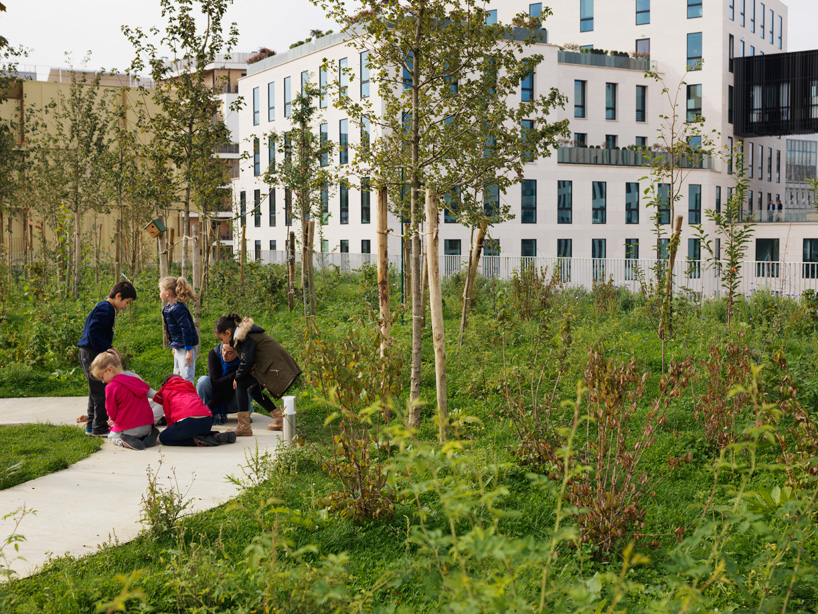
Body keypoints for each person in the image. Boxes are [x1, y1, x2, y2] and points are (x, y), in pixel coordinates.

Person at [214, 313, 301, 436]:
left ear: (228, 332)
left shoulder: (243, 337)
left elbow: (247, 361)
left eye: (221, 339)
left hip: (274, 367)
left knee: (240, 384)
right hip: (270, 366)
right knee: (254, 391)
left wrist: (237, 377)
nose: (222, 342)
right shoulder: (242, 334)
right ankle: (280, 419)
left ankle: (244, 426)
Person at [77, 280, 137, 437]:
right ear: (118, 296)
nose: (126, 306)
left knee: (94, 391)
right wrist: (105, 350)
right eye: (127, 302)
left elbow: (97, 333)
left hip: (89, 352)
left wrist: (108, 347)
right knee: (101, 392)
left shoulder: (105, 308)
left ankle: (91, 427)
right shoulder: (106, 309)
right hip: (91, 353)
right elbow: (93, 332)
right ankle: (100, 428)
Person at [90, 350, 159, 451]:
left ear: (110, 370)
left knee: (112, 436)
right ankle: (147, 435)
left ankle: (123, 441)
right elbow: (149, 391)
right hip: (147, 425)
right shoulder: (135, 379)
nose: (103, 381)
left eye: (101, 377)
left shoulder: (111, 387)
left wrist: (112, 419)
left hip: (129, 429)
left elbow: (111, 409)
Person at [154, 375, 237, 447]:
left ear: (165, 383)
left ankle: (196, 442)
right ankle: (215, 435)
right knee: (196, 430)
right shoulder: (189, 387)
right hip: (207, 421)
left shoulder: (167, 390)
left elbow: (168, 416)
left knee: (164, 438)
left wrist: (171, 430)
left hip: (188, 422)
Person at [196, 341, 262, 425]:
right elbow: (216, 384)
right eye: (223, 350)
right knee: (203, 381)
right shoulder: (215, 354)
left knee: (244, 383)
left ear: (238, 353)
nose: (224, 355)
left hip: (235, 400)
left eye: (230, 353)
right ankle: (206, 413)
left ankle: (244, 414)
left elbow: (230, 389)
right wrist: (235, 373)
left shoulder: (244, 362)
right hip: (216, 397)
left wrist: (239, 374)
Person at [160, 277, 199, 384]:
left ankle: (188, 398)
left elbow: (186, 329)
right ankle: (179, 397)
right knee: (177, 374)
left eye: (161, 291)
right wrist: (174, 345)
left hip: (186, 347)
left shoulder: (179, 308)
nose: (160, 294)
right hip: (179, 346)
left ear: (167, 293)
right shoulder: (170, 308)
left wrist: (189, 351)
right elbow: (174, 330)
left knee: (186, 376)